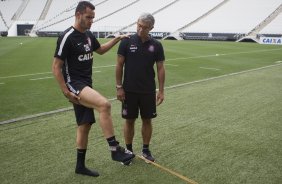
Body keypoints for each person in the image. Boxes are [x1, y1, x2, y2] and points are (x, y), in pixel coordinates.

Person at [52, 1, 134, 177]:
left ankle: (80, 166)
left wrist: (117, 39)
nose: (91, 21)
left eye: (93, 18)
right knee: (104, 105)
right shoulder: (67, 36)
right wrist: (66, 90)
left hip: (86, 84)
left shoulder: (88, 35)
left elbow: (101, 50)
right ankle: (114, 149)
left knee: (85, 125)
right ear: (78, 14)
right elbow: (56, 66)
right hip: (74, 84)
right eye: (88, 17)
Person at [116, 13, 165, 165]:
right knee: (129, 120)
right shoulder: (126, 42)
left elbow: (161, 68)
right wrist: (119, 87)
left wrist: (161, 91)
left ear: (151, 28)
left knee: (147, 120)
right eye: (138, 25)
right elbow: (119, 65)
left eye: (144, 27)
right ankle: (129, 151)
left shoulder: (156, 45)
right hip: (129, 90)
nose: (140, 29)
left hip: (148, 90)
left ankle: (145, 150)